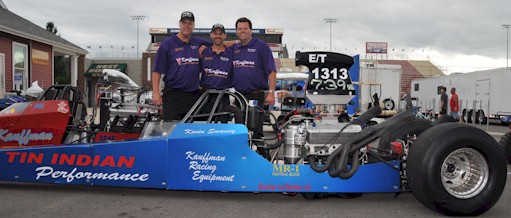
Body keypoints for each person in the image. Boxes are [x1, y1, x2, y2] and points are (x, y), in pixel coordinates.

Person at [152, 11, 213, 121]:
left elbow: (218, 44)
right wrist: (155, 93)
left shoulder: (197, 41)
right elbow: (157, 71)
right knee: (171, 130)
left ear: (193, 25)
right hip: (173, 94)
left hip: (192, 95)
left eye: (190, 23)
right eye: (184, 23)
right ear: (180, 24)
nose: (187, 26)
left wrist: (206, 49)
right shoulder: (168, 43)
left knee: (189, 131)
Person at [232, 17, 276, 108]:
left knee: (254, 121)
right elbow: (219, 44)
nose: (242, 31)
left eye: (245, 28)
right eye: (240, 29)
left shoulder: (261, 46)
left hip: (256, 95)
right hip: (238, 95)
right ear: (236, 31)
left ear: (251, 30)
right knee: (239, 122)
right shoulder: (235, 48)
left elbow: (271, 70)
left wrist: (271, 93)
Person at [199, 23, 234, 114]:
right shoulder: (204, 52)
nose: (218, 36)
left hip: (224, 95)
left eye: (220, 34)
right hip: (206, 95)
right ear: (211, 35)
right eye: (215, 33)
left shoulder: (231, 53)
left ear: (225, 36)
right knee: (205, 125)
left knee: (223, 126)